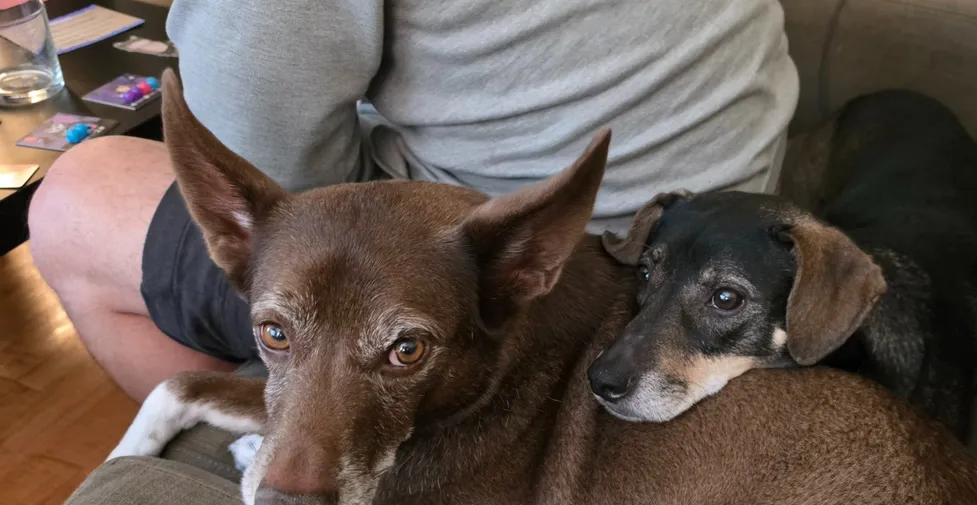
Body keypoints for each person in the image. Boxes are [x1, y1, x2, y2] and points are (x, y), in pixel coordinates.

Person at [28, 0, 799, 401]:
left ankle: (287, 431)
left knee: (72, 197)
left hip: (567, 274)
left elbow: (274, 179)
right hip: (726, 236)